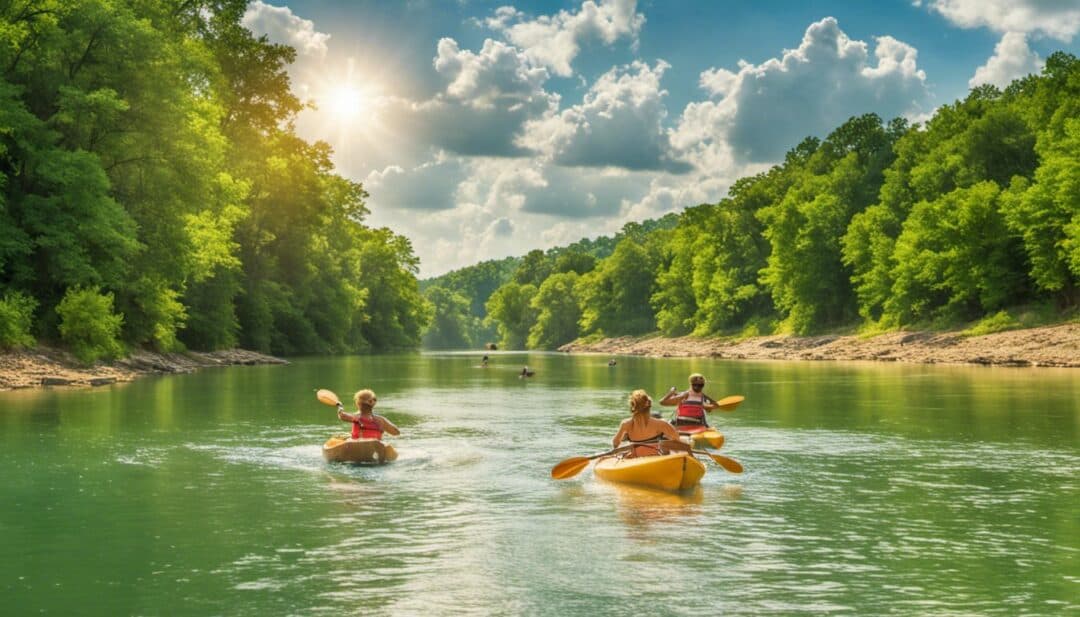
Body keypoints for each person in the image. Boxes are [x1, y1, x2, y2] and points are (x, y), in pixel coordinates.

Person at [612, 390, 683, 457]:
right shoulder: (661, 424)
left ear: (632, 407)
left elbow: (615, 443)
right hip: (654, 459)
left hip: (635, 459)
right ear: (649, 406)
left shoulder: (625, 424)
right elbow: (677, 441)